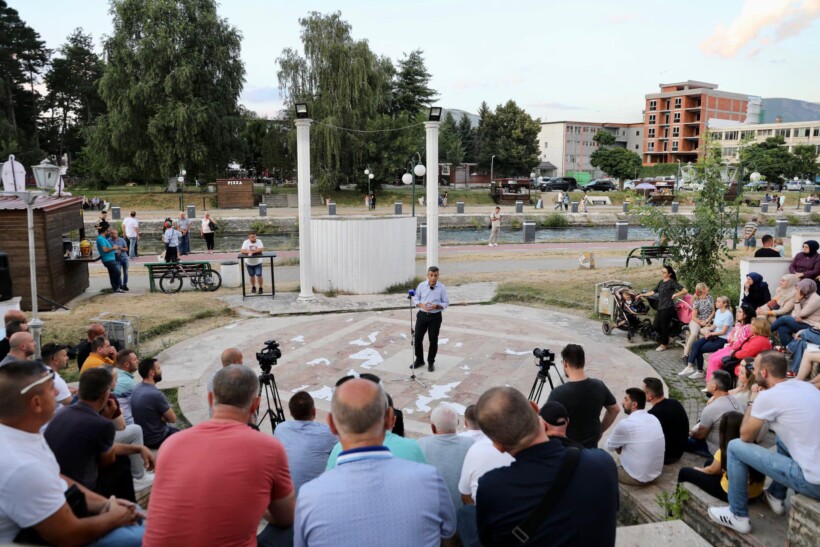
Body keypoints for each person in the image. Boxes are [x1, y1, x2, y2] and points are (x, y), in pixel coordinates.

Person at [144, 365, 295, 546]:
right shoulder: (268, 448)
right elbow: (286, 517)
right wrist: (260, 504)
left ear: (210, 399)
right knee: (295, 526)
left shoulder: (171, 444)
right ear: (255, 405)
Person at [294, 378, 456, 547]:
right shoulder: (430, 480)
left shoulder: (308, 498)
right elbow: (448, 536)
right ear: (389, 419)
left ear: (332, 425)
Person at [0, 360, 145, 546]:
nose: (57, 393)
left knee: (134, 510)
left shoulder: (21, 434)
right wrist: (116, 518)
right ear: (36, 403)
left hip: (58, 517)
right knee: (143, 536)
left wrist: (105, 504)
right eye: (51, 388)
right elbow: (69, 535)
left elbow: (56, 476)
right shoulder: (23, 466)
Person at [474, 387, 618, 546]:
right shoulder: (602, 463)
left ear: (498, 446)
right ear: (535, 408)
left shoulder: (491, 488)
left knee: (466, 514)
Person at [708, 351, 820, 534]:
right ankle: (776, 495)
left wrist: (754, 401)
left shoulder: (767, 397)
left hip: (814, 482)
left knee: (735, 447)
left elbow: (745, 437)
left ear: (764, 372)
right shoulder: (804, 386)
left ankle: (738, 515)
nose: (753, 372)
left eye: (754, 368)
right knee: (782, 440)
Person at [44, 367, 155, 499]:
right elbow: (107, 460)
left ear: (79, 391)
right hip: (81, 492)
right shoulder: (102, 425)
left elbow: (98, 444)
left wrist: (138, 448)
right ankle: (127, 510)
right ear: (105, 394)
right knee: (120, 463)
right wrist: (106, 418)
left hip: (57, 483)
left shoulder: (62, 413)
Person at [678, 411, 764, 502]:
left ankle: (675, 508)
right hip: (754, 493)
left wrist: (699, 470)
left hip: (730, 493)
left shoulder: (728, 449)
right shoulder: (756, 447)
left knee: (684, 472)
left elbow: (711, 470)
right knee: (709, 462)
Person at [546, 344, 620, 448]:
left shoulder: (558, 393)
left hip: (568, 450)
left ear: (565, 363)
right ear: (583, 362)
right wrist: (600, 430)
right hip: (591, 448)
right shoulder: (599, 385)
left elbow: (545, 423)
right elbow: (614, 409)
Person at [273, 391, 337, 494]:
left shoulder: (280, 429)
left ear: (291, 412)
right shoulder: (328, 433)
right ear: (314, 412)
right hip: (314, 496)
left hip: (285, 495)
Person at [417, 403, 475, 510]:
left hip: (432, 512)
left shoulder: (419, 445)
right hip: (463, 512)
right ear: (457, 423)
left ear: (433, 427)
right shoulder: (472, 445)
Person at [606, 388, 665, 485]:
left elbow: (609, 446)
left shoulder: (625, 424)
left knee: (603, 465)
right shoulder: (654, 418)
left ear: (634, 404)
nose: (622, 402)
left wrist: (619, 446)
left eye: (625, 399)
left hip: (637, 477)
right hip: (655, 474)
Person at [687, 370, 742, 457]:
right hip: (732, 445)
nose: (707, 382)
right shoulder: (737, 400)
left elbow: (700, 436)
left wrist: (690, 432)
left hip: (716, 450)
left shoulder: (711, 409)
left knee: (680, 439)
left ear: (714, 387)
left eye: (709, 381)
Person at [130, 358, 179, 449]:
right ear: (152, 373)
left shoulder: (137, 388)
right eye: (158, 368)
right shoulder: (156, 394)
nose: (161, 371)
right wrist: (163, 417)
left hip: (143, 436)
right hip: (157, 438)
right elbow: (173, 419)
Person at [681, 296, 733, 378]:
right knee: (695, 344)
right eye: (717, 301)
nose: (716, 303)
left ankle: (699, 371)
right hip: (714, 335)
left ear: (725, 304)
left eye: (719, 302)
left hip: (722, 339)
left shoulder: (728, 315)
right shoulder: (719, 311)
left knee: (699, 349)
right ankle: (689, 367)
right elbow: (715, 326)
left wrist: (711, 334)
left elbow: (723, 332)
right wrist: (707, 329)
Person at [638, 265, 688, 351]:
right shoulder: (661, 282)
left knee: (663, 326)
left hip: (668, 307)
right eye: (662, 272)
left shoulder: (671, 282)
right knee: (656, 326)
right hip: (660, 307)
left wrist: (676, 294)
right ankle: (668, 338)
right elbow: (653, 292)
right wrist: (642, 295)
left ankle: (664, 344)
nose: (662, 273)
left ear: (669, 274)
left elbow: (685, 290)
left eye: (664, 272)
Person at [704, 304, 755, 382]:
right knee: (711, 357)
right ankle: (709, 383)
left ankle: (716, 385)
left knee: (715, 361)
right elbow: (729, 336)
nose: (737, 313)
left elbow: (738, 344)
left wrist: (734, 339)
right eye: (738, 311)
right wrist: (733, 339)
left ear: (746, 315)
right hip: (730, 347)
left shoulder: (748, 328)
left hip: (735, 350)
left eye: (740, 312)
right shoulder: (738, 324)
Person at [412, 266, 449, 372]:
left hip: (435, 317)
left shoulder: (442, 288)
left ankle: (431, 362)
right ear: (427, 275)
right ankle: (419, 360)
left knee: (433, 340)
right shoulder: (421, 286)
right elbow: (415, 298)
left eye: (435, 275)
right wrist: (421, 305)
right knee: (418, 338)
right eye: (431, 275)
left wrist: (436, 306)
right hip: (422, 315)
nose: (433, 278)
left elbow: (446, 303)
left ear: (438, 276)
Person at [644, 377, 689, 464]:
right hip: (680, 450)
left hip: (667, 456)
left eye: (643, 392)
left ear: (650, 396)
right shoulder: (675, 403)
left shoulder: (652, 414)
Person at [771, 278, 820, 347]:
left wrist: (797, 300)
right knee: (782, 329)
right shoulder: (805, 296)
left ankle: (764, 332)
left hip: (811, 325)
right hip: (803, 321)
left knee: (784, 318)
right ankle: (789, 348)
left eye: (800, 289)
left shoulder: (816, 299)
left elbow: (801, 314)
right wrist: (797, 317)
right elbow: (795, 312)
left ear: (807, 289)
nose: (798, 291)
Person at [682, 283, 715, 364]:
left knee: (707, 332)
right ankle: (685, 355)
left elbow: (713, 311)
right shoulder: (697, 301)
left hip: (707, 321)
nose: (708, 288)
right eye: (706, 287)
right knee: (693, 334)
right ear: (703, 290)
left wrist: (707, 320)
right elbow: (693, 317)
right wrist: (701, 323)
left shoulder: (710, 298)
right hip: (697, 321)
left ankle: (696, 355)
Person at [206, 347, 243, 416]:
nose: (242, 362)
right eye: (241, 359)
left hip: (216, 420)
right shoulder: (236, 382)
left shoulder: (213, 377)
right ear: (236, 361)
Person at [41, 343, 74, 407]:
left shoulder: (40, 372)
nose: (67, 358)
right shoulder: (55, 380)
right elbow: (72, 404)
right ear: (55, 360)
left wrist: (67, 391)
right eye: (65, 356)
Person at [113, 349, 139, 424]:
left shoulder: (114, 373)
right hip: (126, 423)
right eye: (135, 360)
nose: (137, 361)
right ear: (127, 364)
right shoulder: (128, 382)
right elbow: (139, 405)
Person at [96, 223, 123, 293]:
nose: (108, 232)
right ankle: (117, 287)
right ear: (105, 231)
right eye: (108, 231)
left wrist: (116, 248)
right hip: (108, 259)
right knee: (117, 272)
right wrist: (113, 248)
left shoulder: (103, 238)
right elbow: (105, 250)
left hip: (111, 258)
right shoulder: (101, 239)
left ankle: (115, 288)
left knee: (112, 273)